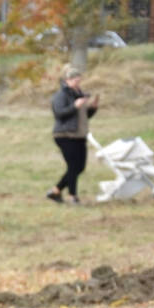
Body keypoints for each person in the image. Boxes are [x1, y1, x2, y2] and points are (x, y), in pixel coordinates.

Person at [48, 65, 98, 204]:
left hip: (79, 135)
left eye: (79, 80)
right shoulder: (61, 95)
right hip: (64, 135)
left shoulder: (79, 95)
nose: (77, 83)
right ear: (67, 80)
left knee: (80, 167)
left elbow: (83, 116)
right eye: (75, 80)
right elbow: (59, 113)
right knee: (72, 166)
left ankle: (56, 191)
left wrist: (92, 109)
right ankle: (72, 196)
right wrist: (74, 106)